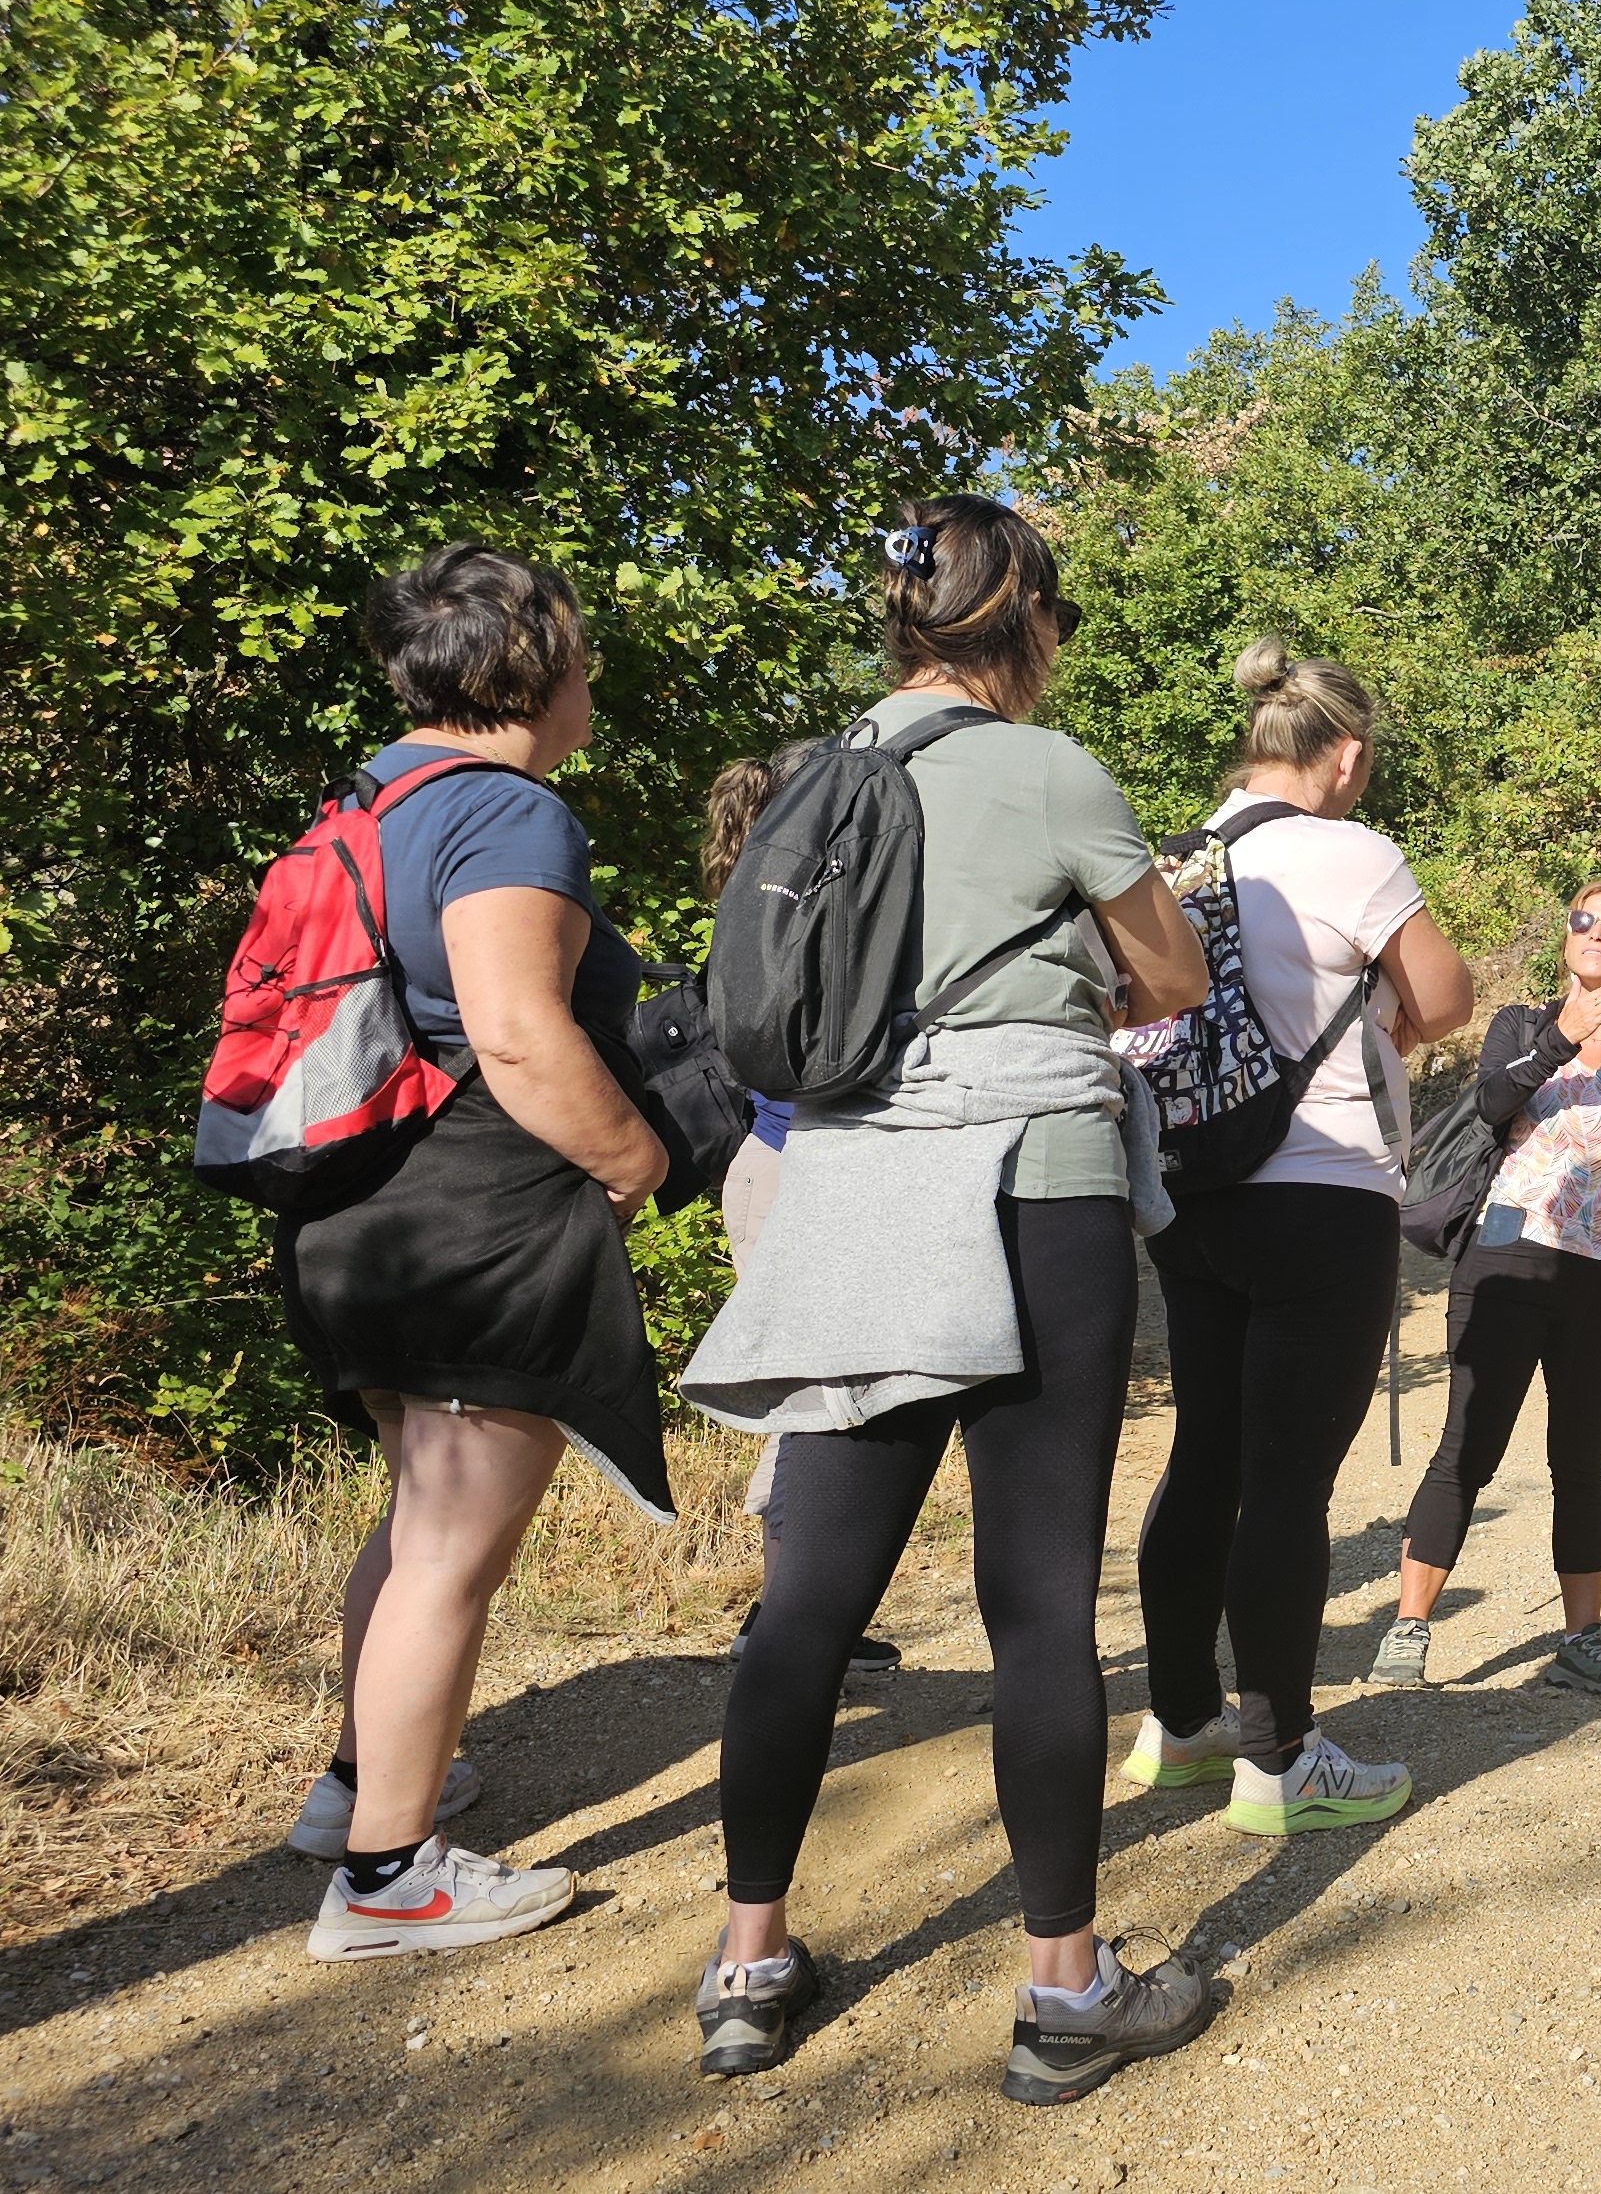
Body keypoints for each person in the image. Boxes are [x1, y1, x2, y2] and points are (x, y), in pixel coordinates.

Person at [677, 495, 1216, 2101]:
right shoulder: (1051, 773)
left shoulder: (810, 770)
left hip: (848, 1202)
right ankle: (1064, 1995)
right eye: (1056, 618)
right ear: (1023, 618)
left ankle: (746, 1965)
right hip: (1031, 1185)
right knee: (1039, 1593)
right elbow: (1174, 979)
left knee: (811, 1602)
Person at [277, 544, 674, 1963]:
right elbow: (514, 1029)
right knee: (454, 1546)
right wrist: (631, 1160)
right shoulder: (507, 813)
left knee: (416, 1522)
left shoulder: (375, 798)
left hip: (358, 1205)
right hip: (476, 1215)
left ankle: (359, 1792)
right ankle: (390, 1878)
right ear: (539, 662)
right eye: (584, 649)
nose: (597, 677)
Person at [1118, 636, 1475, 1833]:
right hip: (1318, 1192)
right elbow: (1445, 999)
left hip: (1193, 1191)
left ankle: (1178, 1726)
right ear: (1347, 756)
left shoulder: (1179, 852)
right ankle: (1281, 1761)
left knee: (1204, 1455)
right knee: (1288, 1480)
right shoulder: (1352, 851)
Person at [1368, 881, 1601, 1696]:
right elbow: (1491, 1103)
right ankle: (1410, 1628)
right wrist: (1563, 1037)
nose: (1595, 932)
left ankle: (1580, 1640)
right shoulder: (1523, 1025)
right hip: (1508, 1260)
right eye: (1582, 920)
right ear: (1566, 941)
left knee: (1582, 1463)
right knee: (1467, 1450)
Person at [693, 746, 895, 1675]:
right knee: (811, 1410)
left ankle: (799, 1620)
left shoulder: (756, 913)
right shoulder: (805, 916)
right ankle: (786, 1629)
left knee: (813, 1404)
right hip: (794, 1175)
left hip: (769, 1169)